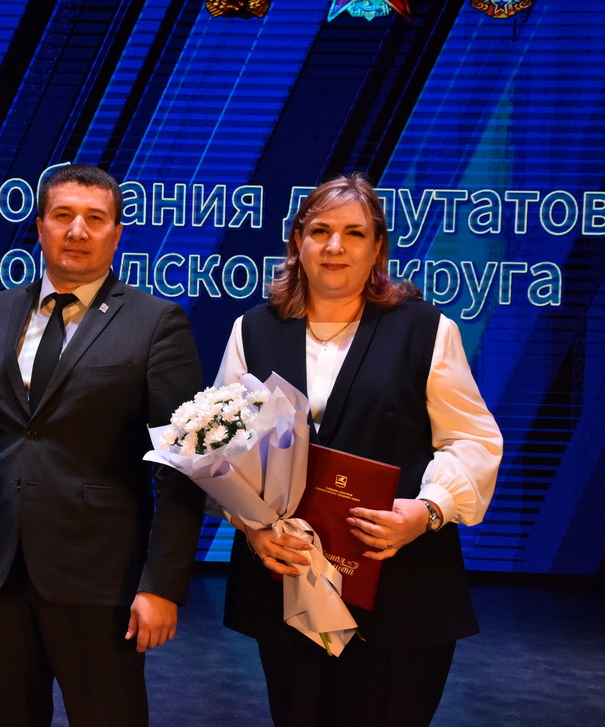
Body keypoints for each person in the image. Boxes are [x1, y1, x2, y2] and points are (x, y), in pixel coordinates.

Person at [215, 173, 503, 727]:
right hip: (286, 581)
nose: (335, 246)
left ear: (377, 248)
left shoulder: (426, 330)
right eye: (320, 230)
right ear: (297, 241)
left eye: (354, 233)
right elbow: (225, 447)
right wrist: (251, 528)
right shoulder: (252, 330)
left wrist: (428, 510)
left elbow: (471, 438)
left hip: (399, 588)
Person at [0, 163, 207, 727]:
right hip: (2, 570)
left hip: (103, 578)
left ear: (116, 234)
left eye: (95, 219)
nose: (77, 230)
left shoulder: (156, 322)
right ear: (40, 227)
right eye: (63, 215)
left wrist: (163, 585)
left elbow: (182, 468)